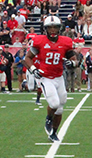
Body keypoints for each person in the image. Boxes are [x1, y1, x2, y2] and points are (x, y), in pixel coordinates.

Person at [24, 15, 77, 143]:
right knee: (54, 103)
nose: (53, 30)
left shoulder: (65, 42)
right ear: (45, 29)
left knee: (61, 106)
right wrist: (33, 70)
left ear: (60, 28)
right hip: (45, 77)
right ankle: (48, 117)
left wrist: (73, 64)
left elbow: (75, 59)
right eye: (50, 27)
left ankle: (53, 132)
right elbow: (27, 58)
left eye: (55, 27)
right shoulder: (39, 41)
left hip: (59, 77)